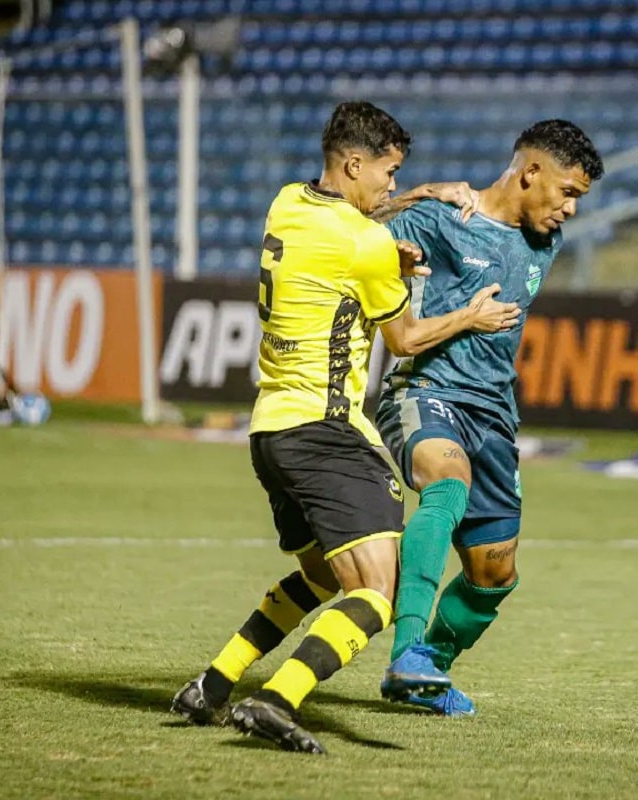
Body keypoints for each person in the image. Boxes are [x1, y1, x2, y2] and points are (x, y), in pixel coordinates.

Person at [170, 100, 521, 754]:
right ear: (354, 163)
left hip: (269, 432)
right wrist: (470, 315)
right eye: (388, 173)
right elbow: (409, 336)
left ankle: (211, 687)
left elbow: (358, 235)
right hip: (326, 432)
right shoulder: (365, 245)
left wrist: (407, 214)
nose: (391, 187)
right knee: (376, 595)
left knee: (326, 577)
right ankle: (277, 701)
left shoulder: (287, 204)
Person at [373, 120, 604, 716]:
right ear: (530, 173)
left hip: (495, 414)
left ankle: (429, 676)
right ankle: (406, 655)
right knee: (447, 484)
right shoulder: (441, 219)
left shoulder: (543, 240)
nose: (571, 210)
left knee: (494, 574)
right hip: (424, 390)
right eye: (568, 192)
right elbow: (348, 226)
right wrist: (418, 193)